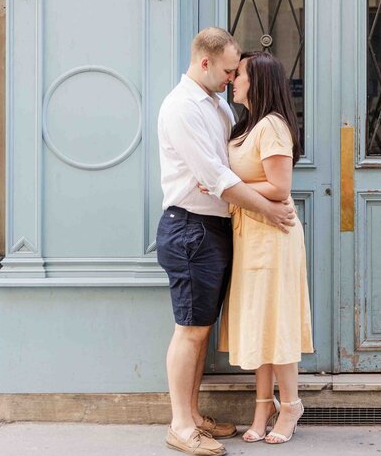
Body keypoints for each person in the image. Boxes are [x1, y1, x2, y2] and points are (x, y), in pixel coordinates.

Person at [156, 28, 297, 456]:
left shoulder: (216, 105)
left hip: (214, 229)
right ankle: (181, 425)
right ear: (205, 63)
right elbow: (217, 178)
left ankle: (195, 416)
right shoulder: (182, 108)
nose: (231, 77)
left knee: (200, 329)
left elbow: (229, 172)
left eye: (237, 72)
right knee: (190, 330)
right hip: (191, 228)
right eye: (227, 69)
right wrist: (269, 208)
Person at [216, 51, 314, 445]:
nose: (232, 80)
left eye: (238, 74)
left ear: (256, 81)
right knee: (259, 322)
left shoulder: (272, 126)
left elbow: (280, 187)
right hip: (251, 235)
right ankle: (263, 404)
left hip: (273, 239)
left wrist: (225, 188)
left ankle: (290, 404)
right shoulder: (246, 125)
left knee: (276, 321)